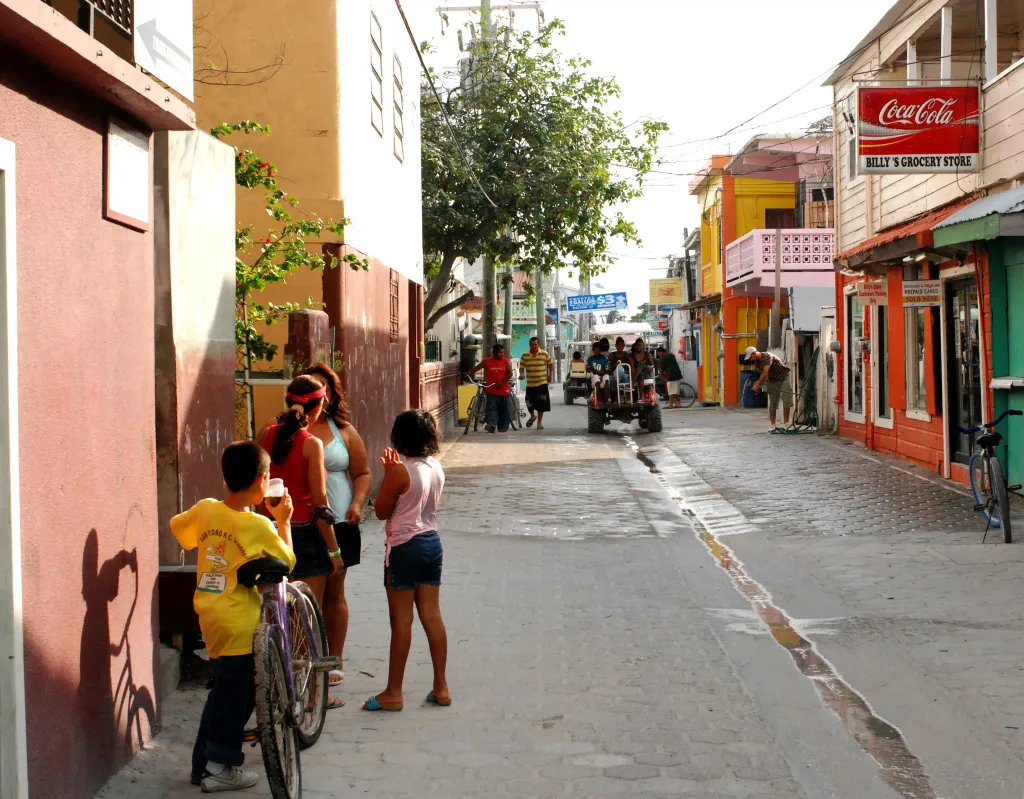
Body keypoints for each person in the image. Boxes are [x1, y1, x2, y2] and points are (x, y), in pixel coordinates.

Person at [173, 442, 296, 792]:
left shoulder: (206, 510)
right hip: (241, 620)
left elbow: (179, 529)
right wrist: (283, 522)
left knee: (223, 690)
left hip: (210, 614)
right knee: (237, 696)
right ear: (261, 481)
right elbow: (287, 563)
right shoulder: (258, 525)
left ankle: (202, 765)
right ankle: (220, 766)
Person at [364, 411, 449, 712]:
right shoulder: (435, 466)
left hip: (403, 545)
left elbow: (382, 510)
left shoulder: (400, 471)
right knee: (432, 615)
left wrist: (389, 472)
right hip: (431, 542)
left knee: (401, 620)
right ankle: (441, 686)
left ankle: (393, 692)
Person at [301, 363, 371, 698]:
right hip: (302, 524)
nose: (321, 394)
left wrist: (357, 504)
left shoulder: (343, 430)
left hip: (341, 522)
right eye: (315, 388)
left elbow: (363, 472)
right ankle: (304, 666)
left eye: (325, 387)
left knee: (334, 592)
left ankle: (333, 661)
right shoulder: (284, 431)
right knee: (305, 598)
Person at [259, 376, 342, 601]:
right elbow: (320, 503)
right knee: (307, 620)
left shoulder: (266, 433)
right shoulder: (311, 444)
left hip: (269, 530)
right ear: (317, 408)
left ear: (287, 403)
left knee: (273, 611)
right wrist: (334, 551)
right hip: (305, 534)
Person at [744, 346, 793, 431]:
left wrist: (758, 383)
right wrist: (759, 383)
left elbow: (765, 371)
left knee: (786, 399)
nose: (751, 359)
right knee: (773, 402)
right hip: (773, 380)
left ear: (755, 353)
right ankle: (773, 425)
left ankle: (786, 424)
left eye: (751, 357)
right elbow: (765, 376)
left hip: (783, 377)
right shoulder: (757, 363)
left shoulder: (767, 356)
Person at [469, 343, 514, 433]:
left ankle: (502, 426)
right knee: (491, 408)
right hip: (491, 389)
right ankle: (492, 425)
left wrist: (501, 382)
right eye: (500, 352)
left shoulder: (505, 361)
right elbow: (477, 368)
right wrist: (469, 373)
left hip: (503, 389)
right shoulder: (487, 361)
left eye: (503, 352)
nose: (502, 354)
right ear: (494, 353)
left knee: (504, 408)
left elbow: (510, 373)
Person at [520, 336, 554, 429]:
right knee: (529, 402)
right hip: (530, 384)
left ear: (538, 344)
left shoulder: (544, 354)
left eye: (535, 344)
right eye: (532, 345)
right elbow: (522, 367)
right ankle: (532, 416)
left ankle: (539, 422)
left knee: (541, 403)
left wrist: (550, 375)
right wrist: (522, 374)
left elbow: (551, 364)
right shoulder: (525, 355)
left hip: (542, 383)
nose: (534, 346)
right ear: (529, 345)